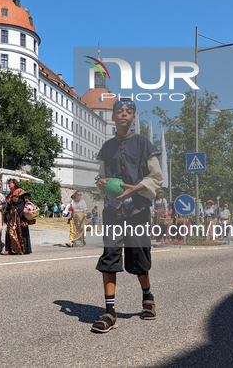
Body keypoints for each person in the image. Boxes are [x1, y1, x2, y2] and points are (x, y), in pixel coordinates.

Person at [92, 97, 163, 333]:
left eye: (128, 111)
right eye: (119, 111)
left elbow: (156, 177)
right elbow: (101, 178)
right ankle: (110, 312)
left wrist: (137, 188)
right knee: (110, 256)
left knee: (140, 258)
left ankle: (147, 297)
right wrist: (102, 184)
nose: (123, 114)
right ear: (112, 116)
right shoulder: (106, 148)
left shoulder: (144, 144)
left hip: (138, 210)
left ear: (133, 117)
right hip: (112, 210)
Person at [4, 178, 32, 255]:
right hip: (12, 216)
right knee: (9, 232)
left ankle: (22, 249)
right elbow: (8, 205)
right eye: (8, 183)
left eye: (10, 183)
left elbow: (28, 202)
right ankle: (11, 249)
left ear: (14, 183)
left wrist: (26, 208)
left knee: (21, 233)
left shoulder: (21, 192)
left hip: (20, 215)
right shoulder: (10, 194)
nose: (9, 185)